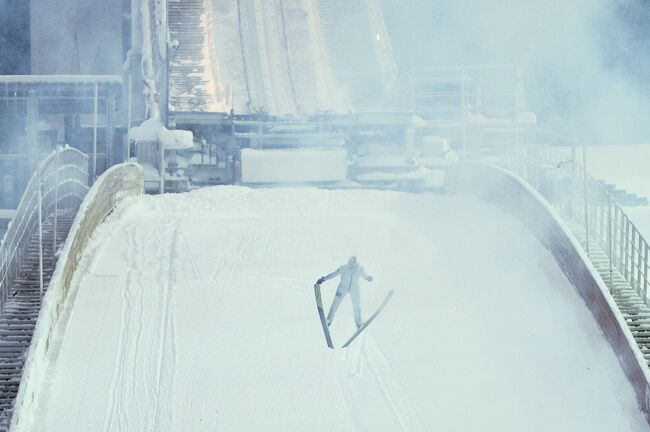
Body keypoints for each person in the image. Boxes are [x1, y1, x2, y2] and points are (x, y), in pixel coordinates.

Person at [317, 256, 373, 329]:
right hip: (342, 288)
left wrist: (368, 278)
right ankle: (329, 319)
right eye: (351, 264)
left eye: (354, 265)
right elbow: (333, 274)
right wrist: (323, 279)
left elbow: (364, 275)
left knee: (357, 305)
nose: (353, 267)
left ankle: (358, 323)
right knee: (336, 303)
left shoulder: (360, 269)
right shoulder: (343, 268)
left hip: (354, 289)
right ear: (349, 263)